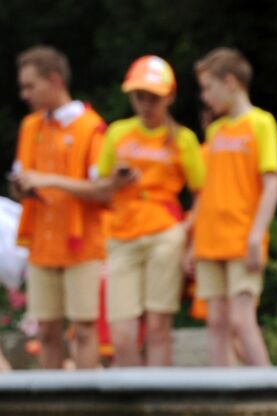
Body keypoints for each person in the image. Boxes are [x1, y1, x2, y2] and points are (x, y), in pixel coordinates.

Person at [95, 56, 204, 367]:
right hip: (121, 233)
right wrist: (115, 181)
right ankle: (132, 401)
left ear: (169, 96)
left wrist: (189, 235)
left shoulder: (183, 139)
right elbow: (100, 186)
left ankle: (159, 406)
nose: (145, 104)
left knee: (158, 326)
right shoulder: (117, 132)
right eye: (139, 96)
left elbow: (202, 193)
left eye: (153, 97)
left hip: (165, 233)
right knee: (122, 332)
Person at [9, 46, 109, 370]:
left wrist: (50, 180)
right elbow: (23, 176)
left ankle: (88, 414)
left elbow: (104, 190)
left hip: (81, 245)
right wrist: (22, 186)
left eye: (30, 86)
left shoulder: (90, 126)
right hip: (41, 244)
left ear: (53, 80)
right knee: (47, 330)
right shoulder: (30, 127)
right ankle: (50, 415)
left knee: (83, 328)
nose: (25, 94)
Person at [189, 48, 277, 367]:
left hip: (242, 237)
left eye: (207, 88)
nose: (205, 97)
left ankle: (270, 392)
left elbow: (272, 183)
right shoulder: (214, 131)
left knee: (242, 320)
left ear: (230, 82)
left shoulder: (261, 123)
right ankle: (221, 398)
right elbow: (206, 191)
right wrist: (193, 242)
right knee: (216, 324)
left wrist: (256, 235)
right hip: (210, 240)